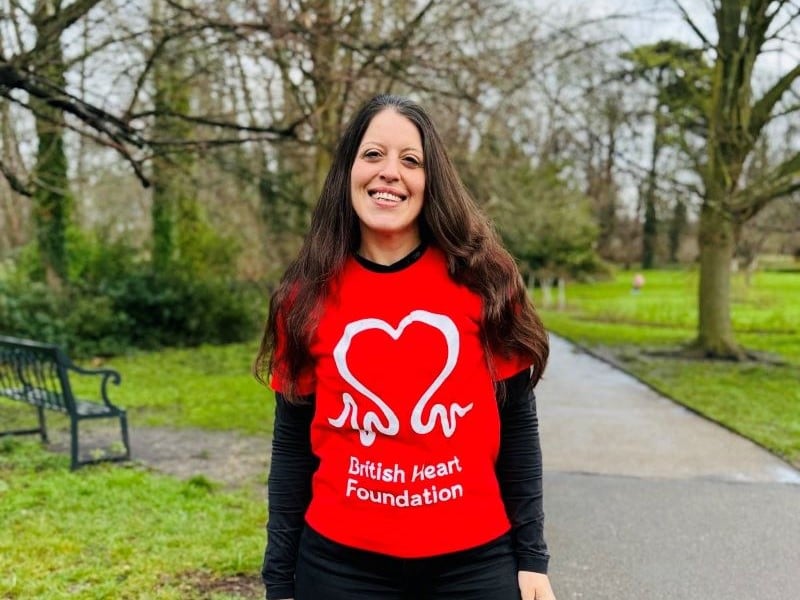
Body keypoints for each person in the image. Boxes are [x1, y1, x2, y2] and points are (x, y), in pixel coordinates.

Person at [254, 94, 555, 600]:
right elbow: (291, 449)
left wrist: (532, 559)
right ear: (348, 170)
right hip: (339, 570)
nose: (389, 172)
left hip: (474, 567)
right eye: (373, 155)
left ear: (430, 180)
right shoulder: (303, 296)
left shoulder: (486, 280)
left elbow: (518, 426)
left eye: (410, 160)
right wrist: (278, 580)